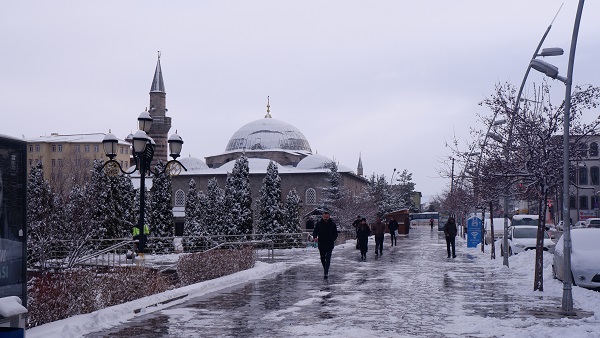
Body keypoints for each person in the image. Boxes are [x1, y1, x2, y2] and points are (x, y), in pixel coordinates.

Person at [312, 210, 338, 279]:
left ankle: (326, 271)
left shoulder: (332, 224)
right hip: (321, 243)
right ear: (323, 217)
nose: (326, 218)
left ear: (329, 217)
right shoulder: (319, 224)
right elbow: (315, 231)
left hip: (329, 243)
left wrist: (332, 238)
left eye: (327, 217)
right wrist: (315, 237)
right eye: (324, 217)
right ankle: (325, 268)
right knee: (322, 257)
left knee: (328, 258)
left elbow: (335, 233)